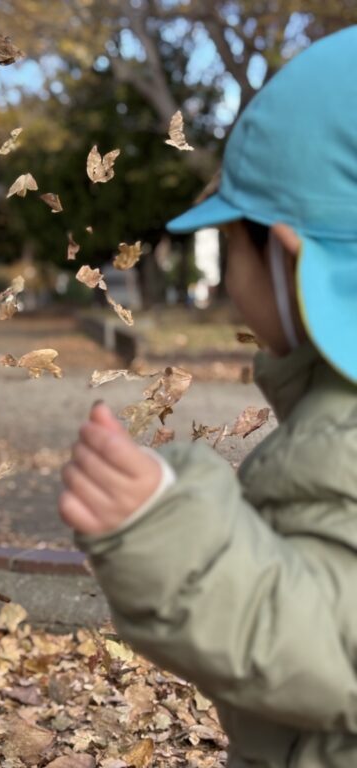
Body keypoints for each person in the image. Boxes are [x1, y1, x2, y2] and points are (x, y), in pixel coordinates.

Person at [57, 27, 357, 767]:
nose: (227, 281)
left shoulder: (339, 439)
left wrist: (167, 527)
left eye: (231, 247)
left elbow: (333, 646)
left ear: (286, 253)